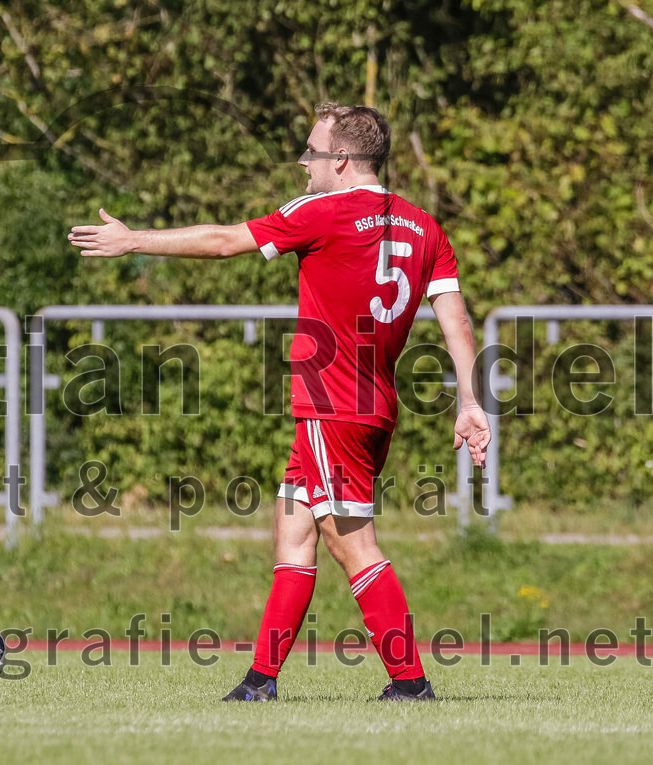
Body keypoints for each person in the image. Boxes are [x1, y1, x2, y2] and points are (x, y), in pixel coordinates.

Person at [68, 103, 490, 701]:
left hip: (331, 403)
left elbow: (222, 243)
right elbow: (457, 320)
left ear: (341, 160)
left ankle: (410, 680)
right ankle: (260, 682)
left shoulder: (321, 211)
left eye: (311, 152)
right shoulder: (427, 227)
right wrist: (469, 400)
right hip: (373, 407)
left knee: (354, 544)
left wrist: (133, 240)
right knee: (293, 531)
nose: (303, 163)